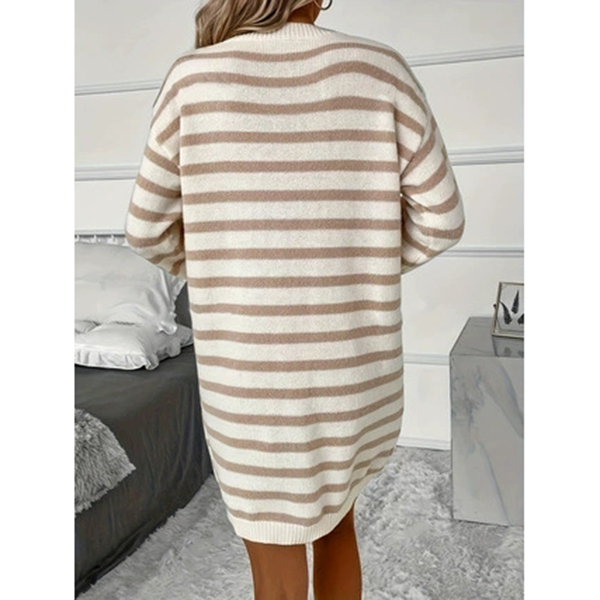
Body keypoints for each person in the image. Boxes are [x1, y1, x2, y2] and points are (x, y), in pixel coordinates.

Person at [125, 0, 466, 598]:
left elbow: (146, 229)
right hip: (352, 368)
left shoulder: (192, 80)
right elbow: (443, 219)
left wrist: (229, 275)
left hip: (248, 378)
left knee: (272, 552)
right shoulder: (378, 68)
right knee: (338, 525)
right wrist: (356, 272)